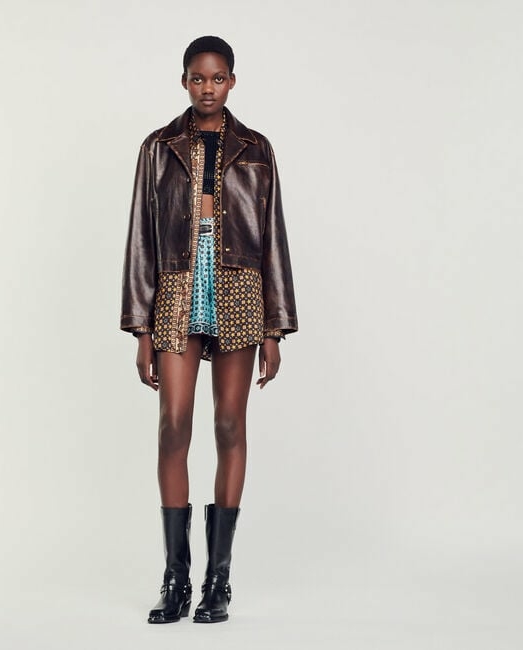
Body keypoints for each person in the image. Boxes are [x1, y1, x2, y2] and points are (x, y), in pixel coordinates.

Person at [120, 36, 298, 624]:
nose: (207, 88)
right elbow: (140, 236)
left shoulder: (256, 148)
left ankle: (217, 581)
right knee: (173, 424)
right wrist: (141, 327)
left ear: (232, 82)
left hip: (240, 289)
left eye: (218, 78)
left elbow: (272, 235)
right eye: (197, 78)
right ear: (184, 81)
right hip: (175, 287)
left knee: (228, 424)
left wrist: (274, 326)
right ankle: (175, 579)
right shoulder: (158, 147)